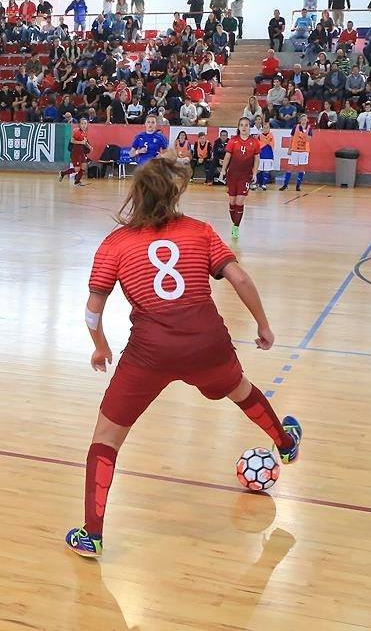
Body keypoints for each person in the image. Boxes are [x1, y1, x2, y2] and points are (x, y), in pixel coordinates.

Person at [64, 155, 302, 558]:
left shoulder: (115, 244)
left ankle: (93, 535)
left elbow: (92, 308)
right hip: (206, 343)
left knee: (106, 439)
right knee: (241, 390)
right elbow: (239, 277)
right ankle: (284, 443)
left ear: (136, 195)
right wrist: (262, 324)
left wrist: (100, 345)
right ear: (175, 195)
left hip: (149, 352)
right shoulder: (199, 231)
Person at [220, 117, 262, 240]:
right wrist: (223, 170)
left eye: (246, 125)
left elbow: (257, 159)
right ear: (238, 127)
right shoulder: (233, 141)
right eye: (242, 125)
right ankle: (235, 223)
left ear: (250, 127)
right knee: (232, 202)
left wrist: (254, 173)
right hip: (232, 175)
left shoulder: (254, 142)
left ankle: (236, 227)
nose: (244, 127)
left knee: (239, 202)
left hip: (245, 176)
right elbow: (227, 157)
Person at [279, 114, 311, 191]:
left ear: (307, 121)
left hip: (304, 151)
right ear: (300, 120)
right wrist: (289, 149)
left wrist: (304, 133)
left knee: (301, 168)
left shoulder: (309, 128)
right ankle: (285, 184)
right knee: (290, 167)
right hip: (295, 150)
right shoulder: (295, 127)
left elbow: (308, 140)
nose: (303, 121)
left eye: (305, 119)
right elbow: (291, 138)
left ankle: (298, 185)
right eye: (302, 119)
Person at [59, 116, 92, 186]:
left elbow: (85, 141)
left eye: (85, 123)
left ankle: (77, 181)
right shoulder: (77, 132)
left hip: (81, 152)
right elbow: (72, 141)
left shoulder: (85, 132)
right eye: (82, 123)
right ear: (80, 124)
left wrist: (89, 147)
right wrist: (81, 143)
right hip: (76, 152)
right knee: (77, 169)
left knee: (83, 167)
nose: (84, 125)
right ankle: (63, 173)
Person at [255, 120, 277, 189]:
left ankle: (264, 184)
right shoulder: (259, 136)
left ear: (269, 128)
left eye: (267, 128)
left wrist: (264, 142)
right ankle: (258, 183)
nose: (266, 129)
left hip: (268, 156)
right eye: (264, 128)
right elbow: (259, 145)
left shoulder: (271, 135)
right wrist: (265, 142)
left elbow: (271, 144)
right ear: (262, 129)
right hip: (260, 155)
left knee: (266, 170)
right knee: (259, 170)